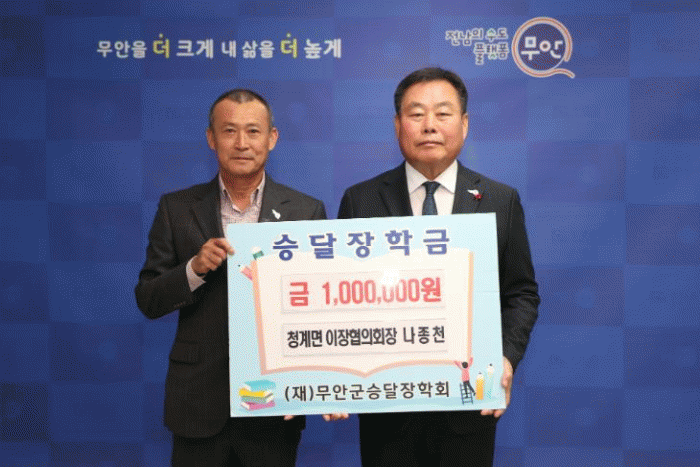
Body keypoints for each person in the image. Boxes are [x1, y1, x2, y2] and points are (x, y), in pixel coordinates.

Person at [338, 67, 540, 466]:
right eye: (416, 114)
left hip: (468, 405)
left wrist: (505, 358)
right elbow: (342, 300)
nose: (429, 125)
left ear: (464, 124)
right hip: (387, 409)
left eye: (443, 113)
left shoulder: (499, 200)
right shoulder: (361, 200)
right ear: (397, 125)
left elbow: (521, 293)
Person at [135, 89, 329, 466]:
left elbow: (319, 310)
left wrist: (317, 386)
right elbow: (148, 299)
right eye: (229, 131)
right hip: (198, 403)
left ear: (272, 138)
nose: (242, 143)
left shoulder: (305, 211)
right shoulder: (177, 208)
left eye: (253, 131)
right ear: (211, 138)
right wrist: (193, 269)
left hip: (273, 402)